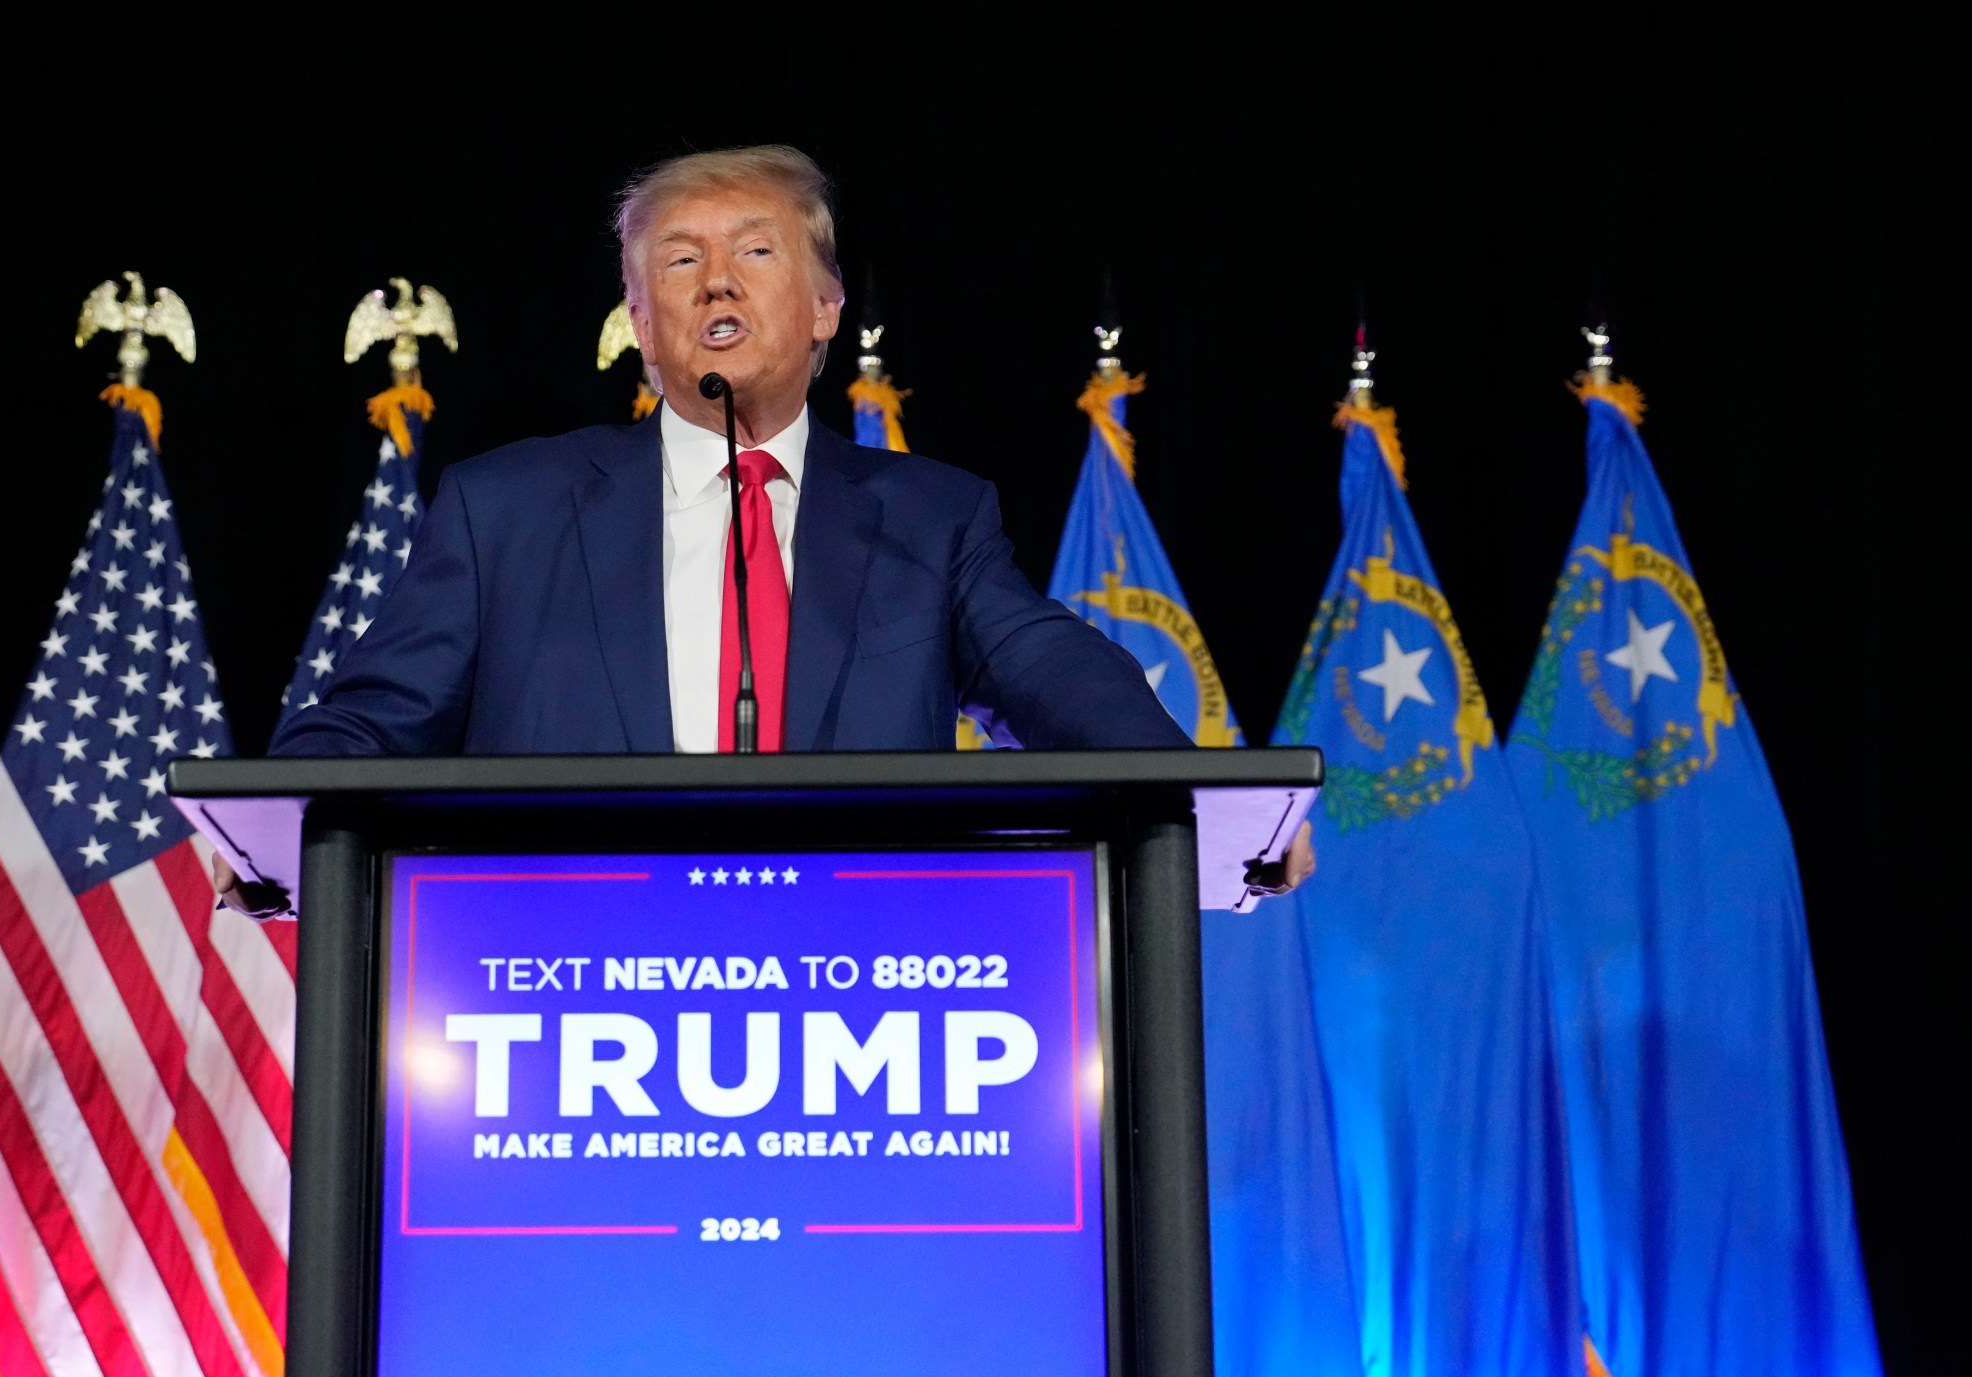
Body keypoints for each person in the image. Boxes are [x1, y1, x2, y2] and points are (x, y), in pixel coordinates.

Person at [237, 144, 1314, 899]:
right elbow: (376, 716)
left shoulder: (930, 518)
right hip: (560, 984)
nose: (717, 282)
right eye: (679, 260)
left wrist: (1207, 804)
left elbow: (1052, 675)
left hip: (846, 990)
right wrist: (269, 834)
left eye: (755, 253)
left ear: (824, 309)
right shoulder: (503, 509)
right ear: (640, 323)